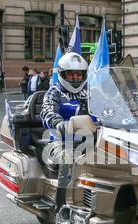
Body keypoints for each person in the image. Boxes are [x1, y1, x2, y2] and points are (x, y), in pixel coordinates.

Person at [40, 52, 90, 210]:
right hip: (60, 141)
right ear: (62, 74)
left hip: (91, 139)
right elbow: (47, 111)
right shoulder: (54, 92)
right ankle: (61, 209)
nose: (75, 77)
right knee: (67, 160)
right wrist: (58, 122)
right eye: (71, 74)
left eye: (79, 74)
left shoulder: (91, 92)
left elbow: (108, 107)